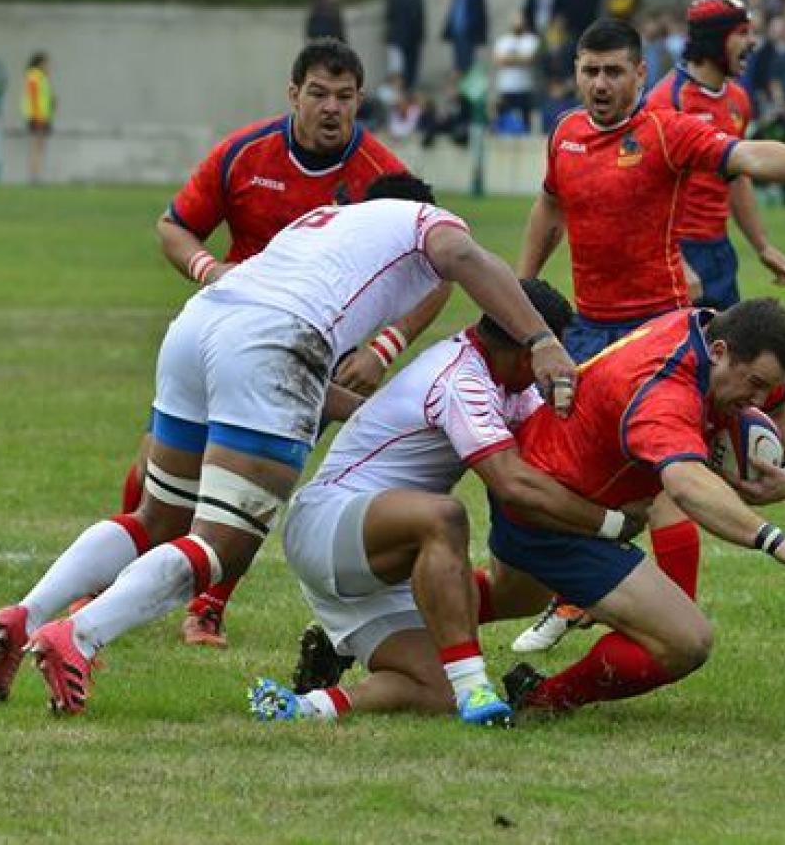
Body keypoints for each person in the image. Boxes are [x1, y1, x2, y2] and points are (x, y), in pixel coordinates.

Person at [0, 178, 576, 716]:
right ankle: (80, 634)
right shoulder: (425, 223)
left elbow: (294, 381)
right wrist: (541, 339)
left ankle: (27, 614)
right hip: (274, 338)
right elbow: (459, 254)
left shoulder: (323, 224)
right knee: (221, 547)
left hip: (199, 325)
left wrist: (381, 415)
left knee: (157, 518)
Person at [246, 280, 627, 725]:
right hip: (327, 527)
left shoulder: (508, 381)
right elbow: (512, 483)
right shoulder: (459, 379)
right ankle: (474, 689)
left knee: (445, 677)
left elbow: (551, 458)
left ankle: (305, 706)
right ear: (531, 351)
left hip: (381, 558)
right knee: (444, 516)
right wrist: (610, 524)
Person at [153, 39, 423, 647]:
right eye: (319, 94)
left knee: (256, 489)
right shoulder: (246, 153)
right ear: (293, 93)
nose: (332, 108)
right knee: (164, 467)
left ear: (360, 101)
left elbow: (434, 266)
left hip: (306, 359)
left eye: (345, 97)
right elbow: (174, 226)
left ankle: (208, 606)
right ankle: (115, 574)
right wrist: (209, 270)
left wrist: (382, 348)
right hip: (224, 336)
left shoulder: (381, 177)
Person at [496, 299, 785, 717]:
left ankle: (432, 629)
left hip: (555, 483)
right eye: (754, 384)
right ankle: (541, 701)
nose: (758, 400)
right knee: (685, 641)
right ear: (719, 352)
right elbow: (685, 483)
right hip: (552, 510)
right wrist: (778, 541)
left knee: (508, 598)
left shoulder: (708, 328)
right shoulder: (663, 390)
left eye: (765, 387)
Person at [518, 17, 785, 365]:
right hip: (588, 328)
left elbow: (750, 157)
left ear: (640, 73)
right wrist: (521, 292)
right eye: (590, 71)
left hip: (658, 325)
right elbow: (550, 208)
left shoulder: (667, 131)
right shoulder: (565, 132)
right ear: (576, 72)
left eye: (613, 72)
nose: (600, 84)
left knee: (741, 389)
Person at [647, 0, 785, 310]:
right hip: (675, 250)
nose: (752, 42)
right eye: (742, 33)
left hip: (719, 249)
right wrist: (677, 262)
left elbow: (736, 177)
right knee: (679, 342)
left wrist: (762, 246)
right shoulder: (667, 101)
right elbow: (642, 195)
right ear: (715, 39)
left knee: (726, 341)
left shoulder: (738, 100)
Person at [493, 16, 542, 133]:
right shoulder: (503, 41)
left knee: (526, 116)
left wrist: (509, 59)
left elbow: (530, 59)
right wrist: (520, 59)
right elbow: (499, 60)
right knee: (504, 114)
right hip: (507, 85)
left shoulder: (532, 40)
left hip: (525, 85)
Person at [384, 0, 426, 92]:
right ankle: (401, 91)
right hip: (398, 39)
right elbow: (390, 16)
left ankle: (408, 90)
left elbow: (417, 18)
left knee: (409, 68)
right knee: (398, 69)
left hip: (410, 38)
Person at [443, 0, 489, 75]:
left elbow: (481, 14)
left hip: (468, 31)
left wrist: (481, 34)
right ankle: (461, 76)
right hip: (457, 30)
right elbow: (453, 11)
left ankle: (466, 78)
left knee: (467, 61)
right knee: (458, 61)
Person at [22, 52, 54, 185]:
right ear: (40, 63)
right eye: (46, 63)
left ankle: (37, 175)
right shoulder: (34, 76)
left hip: (43, 116)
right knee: (36, 147)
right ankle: (34, 177)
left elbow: (44, 97)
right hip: (37, 117)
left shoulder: (41, 77)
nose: (48, 66)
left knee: (40, 147)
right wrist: (38, 117)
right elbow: (34, 97)